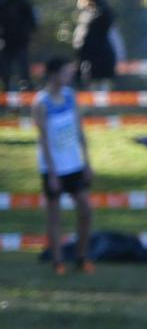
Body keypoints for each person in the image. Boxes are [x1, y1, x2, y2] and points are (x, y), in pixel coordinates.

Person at [31, 56, 93, 273]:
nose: (69, 76)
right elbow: (44, 141)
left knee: (86, 210)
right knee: (55, 216)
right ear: (54, 74)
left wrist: (87, 162)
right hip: (53, 169)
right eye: (66, 72)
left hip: (74, 165)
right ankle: (58, 261)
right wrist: (53, 174)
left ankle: (81, 256)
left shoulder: (70, 97)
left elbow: (79, 130)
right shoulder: (41, 103)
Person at [72, 0, 118, 88]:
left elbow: (107, 19)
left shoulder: (100, 12)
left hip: (100, 62)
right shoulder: (86, 15)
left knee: (102, 95)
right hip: (91, 64)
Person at [0, 0, 39, 90]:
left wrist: (29, 30)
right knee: (4, 66)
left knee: (23, 65)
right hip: (6, 40)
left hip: (20, 39)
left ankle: (27, 88)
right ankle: (6, 88)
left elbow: (31, 15)